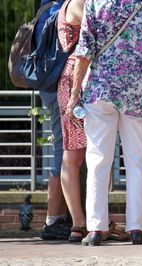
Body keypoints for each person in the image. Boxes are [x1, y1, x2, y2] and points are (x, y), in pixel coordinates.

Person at [66, 0, 142, 246]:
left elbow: (84, 53)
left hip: (100, 91)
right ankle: (137, 228)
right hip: (138, 93)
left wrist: (74, 94)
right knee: (138, 161)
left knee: (98, 159)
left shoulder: (94, 4)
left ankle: (96, 229)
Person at [35, 0, 71, 241]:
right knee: (64, 149)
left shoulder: (44, 9)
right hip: (60, 86)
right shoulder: (64, 10)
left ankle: (59, 217)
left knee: (64, 147)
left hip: (47, 85)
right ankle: (54, 219)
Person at [57, 0, 87, 242]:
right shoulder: (79, 3)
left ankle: (86, 220)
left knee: (81, 152)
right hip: (78, 79)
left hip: (77, 78)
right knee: (74, 152)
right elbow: (96, 27)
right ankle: (79, 222)